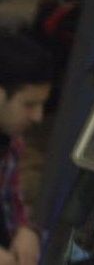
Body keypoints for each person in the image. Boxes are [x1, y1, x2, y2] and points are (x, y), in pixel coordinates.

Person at [0, 30, 54, 265]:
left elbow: (10, 201)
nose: (38, 117)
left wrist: (26, 230)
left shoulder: (11, 143)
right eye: (29, 105)